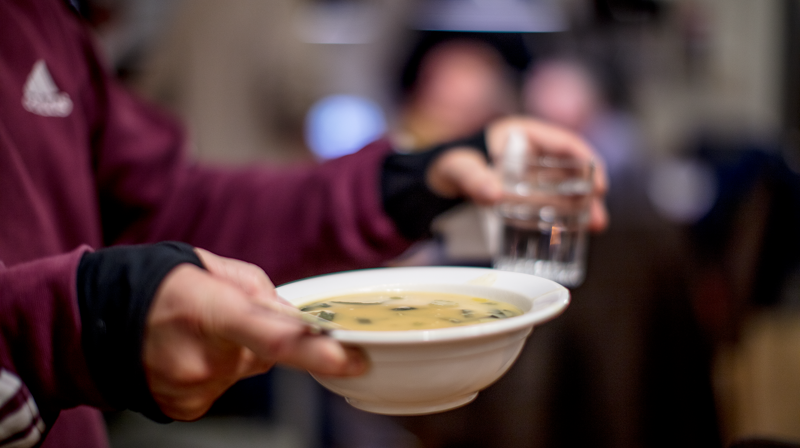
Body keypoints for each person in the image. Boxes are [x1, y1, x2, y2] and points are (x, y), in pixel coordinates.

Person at [0, 1, 607, 447]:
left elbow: (172, 208)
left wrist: (411, 182)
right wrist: (86, 321)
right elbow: (303, 91)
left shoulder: (50, 26)